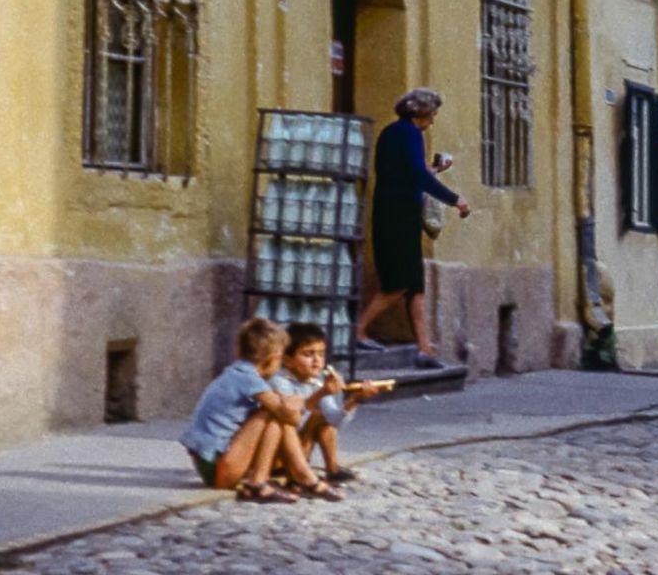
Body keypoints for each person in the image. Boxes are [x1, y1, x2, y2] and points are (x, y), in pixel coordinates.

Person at [357, 87, 468, 369]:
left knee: (415, 285)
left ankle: (424, 348)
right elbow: (417, 176)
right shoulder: (410, 134)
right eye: (432, 114)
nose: (433, 120)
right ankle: (358, 330)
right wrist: (455, 200)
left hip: (395, 214)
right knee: (398, 284)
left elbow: (407, 171)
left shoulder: (393, 133)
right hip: (398, 217)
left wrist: (434, 169)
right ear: (420, 112)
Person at [180, 318, 345, 504]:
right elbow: (289, 416)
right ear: (272, 357)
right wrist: (299, 401)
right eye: (281, 358)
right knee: (271, 414)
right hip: (219, 469)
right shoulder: (248, 379)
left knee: (274, 416)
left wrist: (291, 402)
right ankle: (293, 478)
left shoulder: (239, 372)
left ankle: (288, 478)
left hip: (214, 465)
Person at [270, 322, 388, 484]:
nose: (317, 360)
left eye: (321, 354)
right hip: (278, 455)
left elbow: (335, 421)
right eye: (308, 354)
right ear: (288, 360)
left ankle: (332, 468)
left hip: (301, 449)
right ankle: (298, 473)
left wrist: (354, 399)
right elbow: (290, 420)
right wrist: (321, 394)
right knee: (317, 416)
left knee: (324, 420)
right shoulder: (279, 382)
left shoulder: (316, 382)